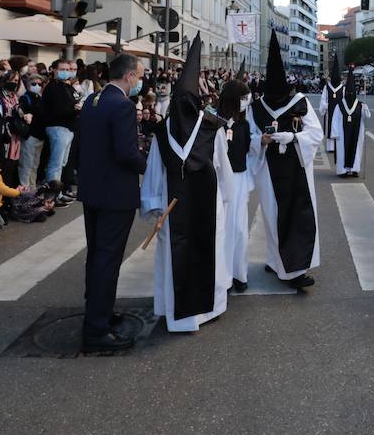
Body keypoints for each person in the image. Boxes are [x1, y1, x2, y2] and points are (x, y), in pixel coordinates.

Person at [140, 37, 231, 332]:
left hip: (171, 204)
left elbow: (154, 170)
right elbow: (222, 168)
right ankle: (209, 309)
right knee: (208, 252)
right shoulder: (211, 129)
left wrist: (153, 204)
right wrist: (228, 198)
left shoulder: (163, 132)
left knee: (175, 255)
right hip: (207, 204)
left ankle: (176, 312)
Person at [77, 54, 148, 353]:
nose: (140, 82)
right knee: (108, 258)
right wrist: (150, 165)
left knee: (97, 255)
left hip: (93, 189)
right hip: (114, 192)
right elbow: (126, 153)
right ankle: (96, 332)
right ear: (130, 76)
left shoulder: (94, 99)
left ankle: (99, 313)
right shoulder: (123, 105)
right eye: (140, 75)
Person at [247, 34, 322, 290]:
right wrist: (262, 140)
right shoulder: (256, 107)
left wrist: (294, 137)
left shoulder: (300, 102)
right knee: (272, 214)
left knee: (296, 215)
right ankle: (275, 258)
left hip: (297, 167)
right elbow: (249, 137)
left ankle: (295, 270)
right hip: (269, 168)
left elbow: (315, 133)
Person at [216, 78, 253, 292]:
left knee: (239, 230)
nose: (246, 101)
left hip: (239, 180)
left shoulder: (244, 124)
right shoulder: (215, 123)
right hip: (221, 181)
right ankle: (223, 275)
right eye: (242, 98)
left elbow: (248, 148)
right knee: (222, 230)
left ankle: (239, 272)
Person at [38, 58, 79, 189]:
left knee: (62, 162)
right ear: (54, 70)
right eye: (62, 69)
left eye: (68, 69)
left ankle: (57, 192)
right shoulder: (52, 87)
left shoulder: (67, 86)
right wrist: (75, 109)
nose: (65, 72)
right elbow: (57, 110)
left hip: (68, 128)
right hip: (58, 127)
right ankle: (52, 194)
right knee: (55, 163)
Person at [332, 74, 371, 178]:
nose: (350, 94)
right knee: (342, 151)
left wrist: (366, 108)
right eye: (348, 92)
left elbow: (368, 116)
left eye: (352, 93)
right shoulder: (340, 105)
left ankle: (354, 169)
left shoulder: (360, 105)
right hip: (342, 133)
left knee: (356, 150)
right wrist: (335, 133)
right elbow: (335, 119)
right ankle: (342, 170)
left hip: (356, 133)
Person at [318, 57, 343, 154]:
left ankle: (337, 146)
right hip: (329, 111)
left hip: (339, 112)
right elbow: (323, 100)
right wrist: (326, 106)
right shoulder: (327, 87)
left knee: (338, 127)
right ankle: (330, 147)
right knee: (330, 127)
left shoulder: (342, 88)